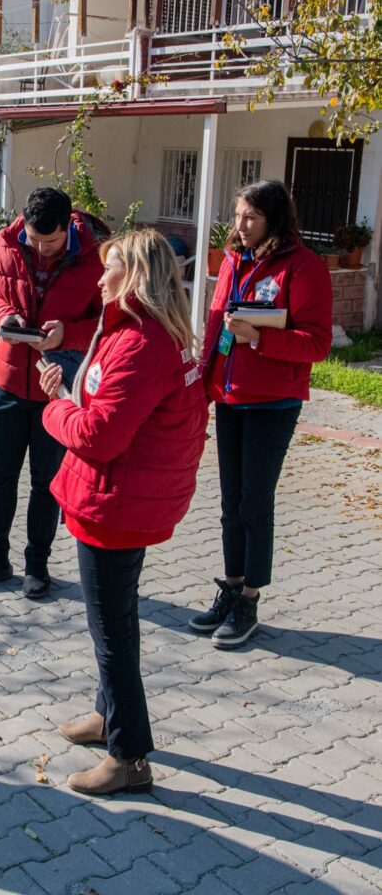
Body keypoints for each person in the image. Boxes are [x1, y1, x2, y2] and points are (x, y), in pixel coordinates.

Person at [39, 228, 207, 795]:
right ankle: (107, 714)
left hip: (116, 504)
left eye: (109, 267)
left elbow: (100, 435)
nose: (98, 278)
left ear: (134, 275)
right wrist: (70, 393)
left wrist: (54, 408)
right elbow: (110, 407)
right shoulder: (142, 330)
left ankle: (129, 758)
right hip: (123, 496)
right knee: (116, 620)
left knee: (111, 632)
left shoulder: (141, 342)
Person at [190, 179, 332, 649]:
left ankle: (250, 599)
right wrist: (203, 383)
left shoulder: (304, 266)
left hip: (273, 402)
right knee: (230, 503)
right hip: (229, 398)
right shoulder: (234, 258)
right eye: (237, 216)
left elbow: (317, 343)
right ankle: (231, 588)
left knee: (254, 503)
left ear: (274, 218)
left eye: (250, 217)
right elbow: (217, 323)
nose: (240, 225)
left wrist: (260, 338)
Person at [0, 187, 106, 599]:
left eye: (51, 242)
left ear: (68, 226)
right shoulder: (4, 242)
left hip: (56, 392)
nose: (41, 249)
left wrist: (67, 334)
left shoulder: (96, 256)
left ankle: (37, 564)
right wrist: (2, 315)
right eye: (35, 240)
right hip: (5, 384)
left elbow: (107, 320)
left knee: (47, 482)